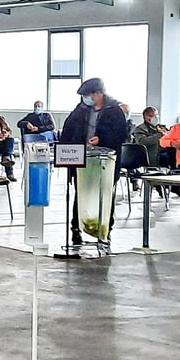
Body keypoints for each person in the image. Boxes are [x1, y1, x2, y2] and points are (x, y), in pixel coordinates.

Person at [59, 77, 129, 245]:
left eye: (87, 95)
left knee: (105, 196)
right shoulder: (81, 109)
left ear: (98, 94)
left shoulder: (114, 110)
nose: (85, 99)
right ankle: (76, 229)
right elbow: (68, 129)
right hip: (82, 158)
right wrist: (64, 147)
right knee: (80, 194)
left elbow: (122, 135)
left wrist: (102, 138)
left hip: (106, 161)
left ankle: (105, 230)